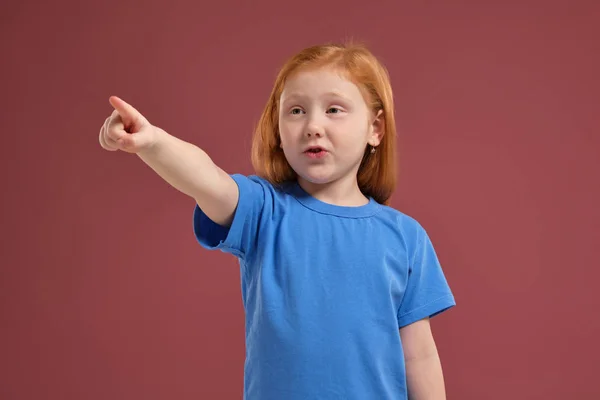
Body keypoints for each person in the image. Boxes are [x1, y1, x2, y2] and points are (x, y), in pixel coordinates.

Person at [99, 41, 456, 400]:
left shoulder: (406, 237)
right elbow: (206, 179)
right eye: (296, 111)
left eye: (334, 109)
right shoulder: (263, 211)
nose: (313, 125)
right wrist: (152, 142)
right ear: (279, 132)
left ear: (374, 130)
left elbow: (419, 356)